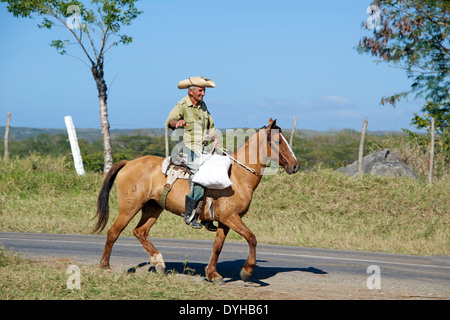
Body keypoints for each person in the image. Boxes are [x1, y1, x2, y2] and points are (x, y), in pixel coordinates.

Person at [165, 76, 220, 231]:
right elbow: (170, 120)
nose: (203, 94)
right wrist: (177, 123)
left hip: (203, 148)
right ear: (191, 91)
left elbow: (211, 125)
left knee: (217, 170)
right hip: (187, 148)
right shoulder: (182, 105)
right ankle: (189, 214)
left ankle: (207, 215)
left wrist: (214, 137)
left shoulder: (203, 106)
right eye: (200, 91)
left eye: (204, 91)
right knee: (200, 174)